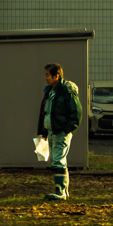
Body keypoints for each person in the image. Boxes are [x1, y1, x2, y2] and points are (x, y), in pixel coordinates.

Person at [37, 62, 82, 201]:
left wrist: (67, 129)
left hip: (60, 132)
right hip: (52, 131)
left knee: (58, 161)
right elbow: (45, 112)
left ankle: (60, 191)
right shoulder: (50, 91)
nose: (46, 78)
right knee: (58, 161)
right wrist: (44, 133)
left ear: (56, 76)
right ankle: (63, 191)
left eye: (47, 75)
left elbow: (76, 112)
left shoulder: (66, 91)